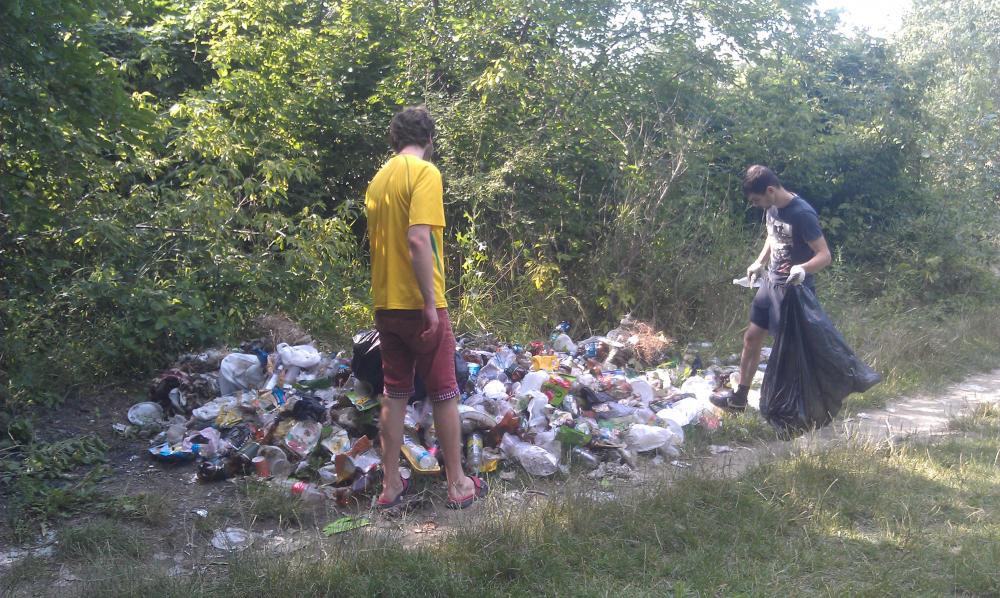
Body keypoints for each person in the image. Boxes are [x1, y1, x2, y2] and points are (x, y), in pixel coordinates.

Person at [364, 106, 488, 509]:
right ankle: (458, 484)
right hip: (419, 305)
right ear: (429, 139)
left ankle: (390, 487)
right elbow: (418, 240)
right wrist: (430, 304)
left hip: (386, 303)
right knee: (445, 392)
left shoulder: (378, 182)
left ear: (395, 140)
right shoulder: (425, 173)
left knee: (394, 393)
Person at [711, 165, 832, 411]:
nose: (756, 205)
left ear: (770, 190)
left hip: (793, 291)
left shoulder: (802, 214)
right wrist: (760, 262)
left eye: (757, 200)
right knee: (751, 338)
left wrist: (803, 269)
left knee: (789, 352)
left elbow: (824, 255)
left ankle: (799, 407)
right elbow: (772, 235)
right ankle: (739, 399)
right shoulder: (772, 207)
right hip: (770, 283)